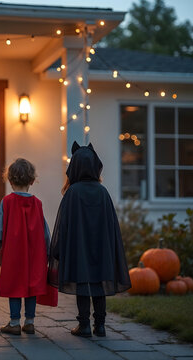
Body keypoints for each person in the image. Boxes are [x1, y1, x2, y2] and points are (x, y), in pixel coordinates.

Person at [49, 141, 131, 338]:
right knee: (98, 285)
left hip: (79, 250)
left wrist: (58, 251)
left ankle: (84, 325)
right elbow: (112, 227)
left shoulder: (72, 193)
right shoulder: (103, 193)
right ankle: (100, 325)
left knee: (82, 284)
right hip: (101, 249)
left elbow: (63, 226)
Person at [0, 158, 56, 336]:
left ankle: (14, 322)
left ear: (9, 180)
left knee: (14, 285)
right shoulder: (37, 203)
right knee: (32, 285)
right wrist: (49, 252)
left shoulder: (7, 202)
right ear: (32, 181)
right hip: (36, 253)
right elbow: (44, 230)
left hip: (14, 253)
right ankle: (30, 322)